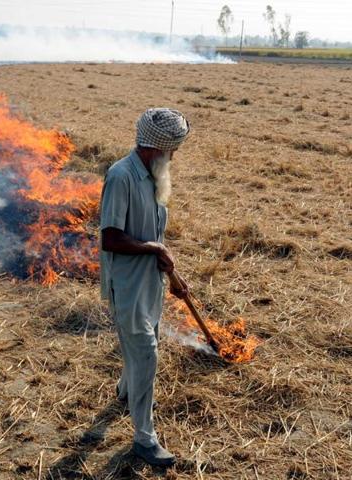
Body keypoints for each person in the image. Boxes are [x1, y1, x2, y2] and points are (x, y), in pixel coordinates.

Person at [99, 108, 191, 467]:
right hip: (128, 282)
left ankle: (126, 390)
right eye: (173, 150)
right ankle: (144, 438)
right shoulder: (121, 176)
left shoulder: (152, 176)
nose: (175, 157)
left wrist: (168, 268)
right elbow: (110, 237)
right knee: (147, 352)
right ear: (157, 149)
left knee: (143, 339)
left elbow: (155, 234)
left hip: (150, 281)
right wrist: (153, 248)